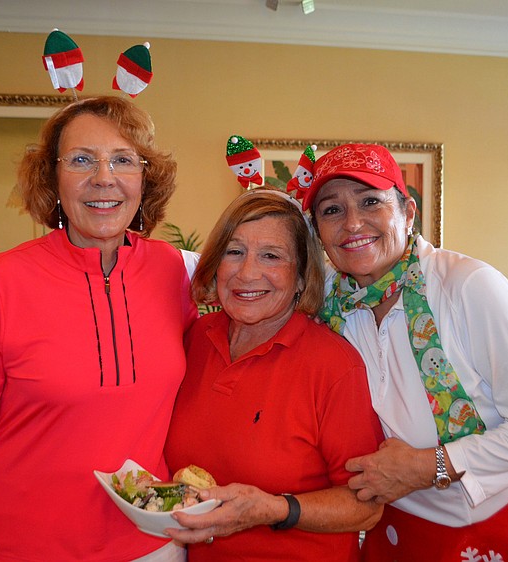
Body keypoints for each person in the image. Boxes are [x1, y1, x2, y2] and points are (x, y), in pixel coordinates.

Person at [301, 143, 508, 561]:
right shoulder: (329, 307)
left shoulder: (469, 286)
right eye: (332, 210)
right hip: (402, 527)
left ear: (408, 213)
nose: (352, 223)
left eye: (370, 201)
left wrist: (428, 466)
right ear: (318, 231)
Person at [0, 96, 198, 562]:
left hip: (150, 545)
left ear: (145, 179)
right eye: (81, 160)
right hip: (22, 548)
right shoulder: (3, 281)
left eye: (123, 160)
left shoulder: (174, 272)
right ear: (52, 179)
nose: (104, 177)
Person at [164, 190, 384, 561]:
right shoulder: (194, 339)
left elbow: (367, 507)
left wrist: (276, 509)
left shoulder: (334, 366)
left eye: (271, 256)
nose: (247, 273)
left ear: (301, 277)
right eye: (234, 252)